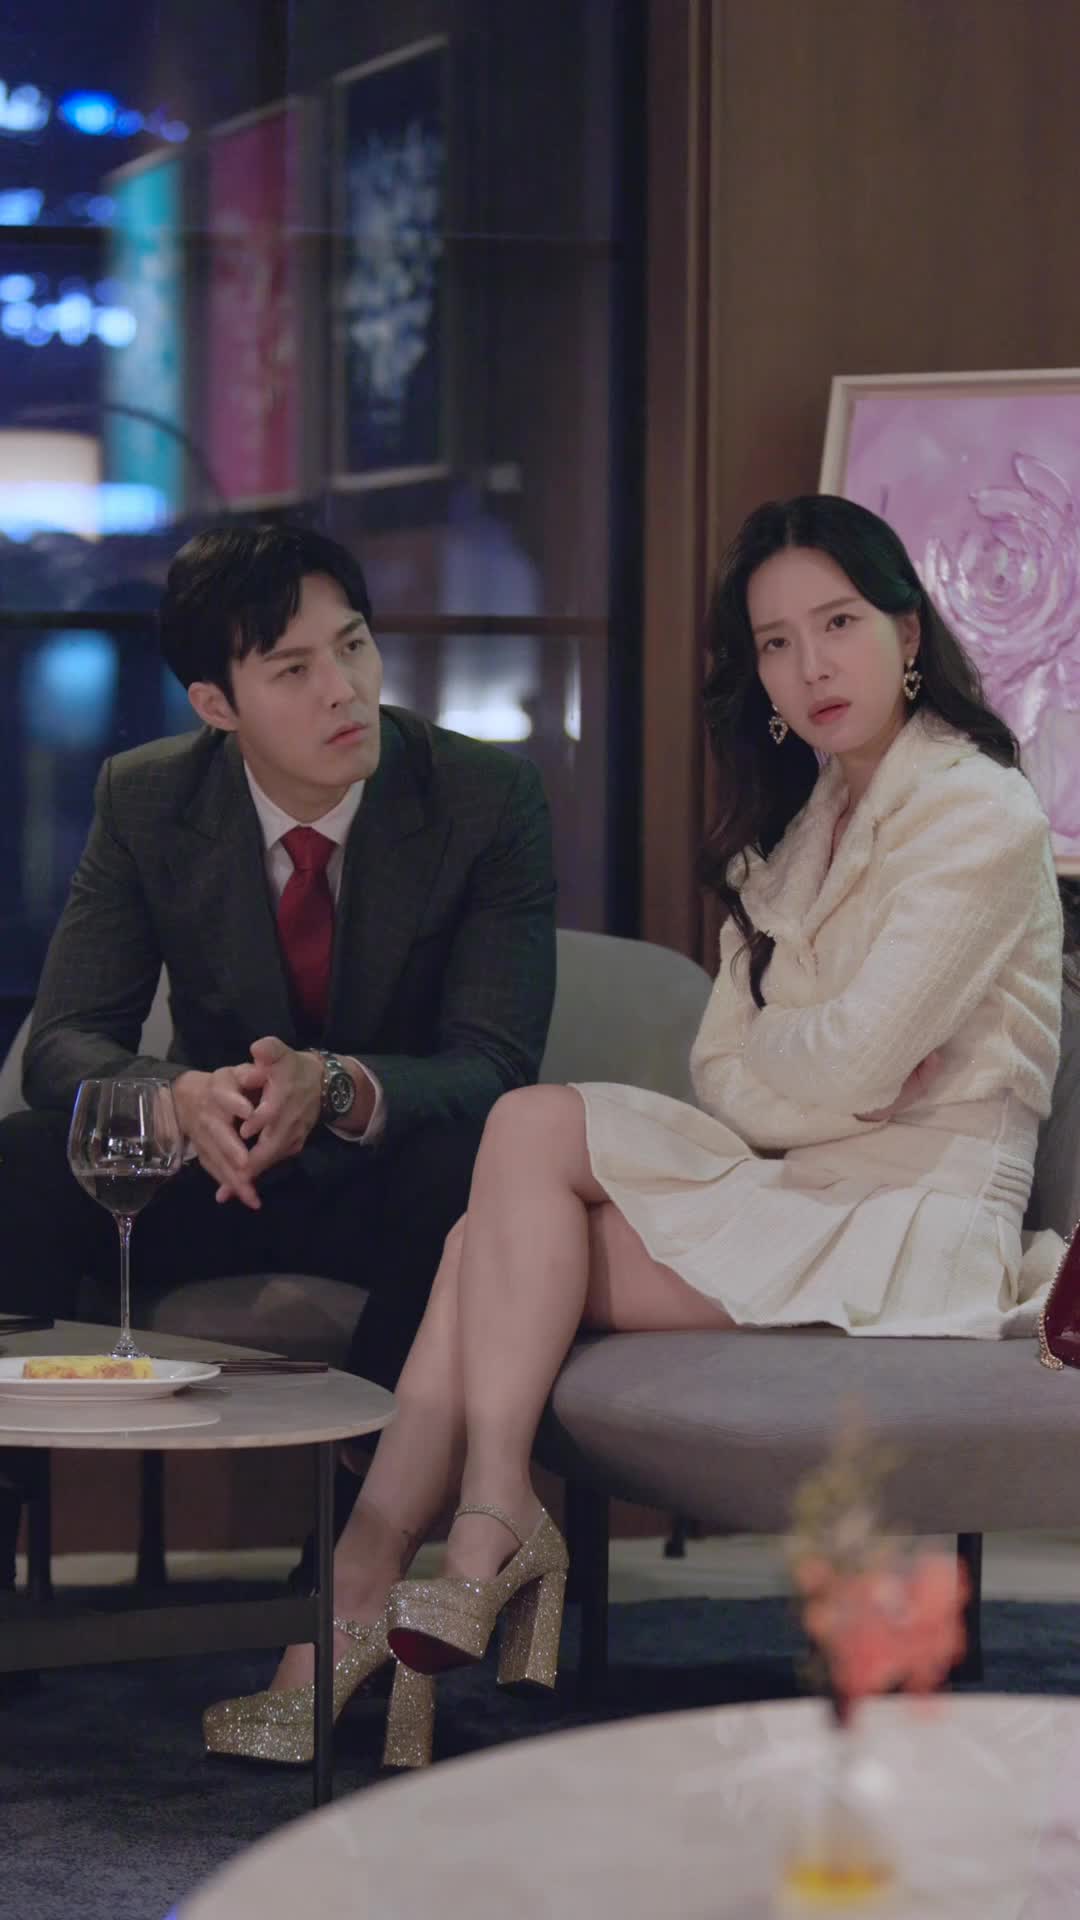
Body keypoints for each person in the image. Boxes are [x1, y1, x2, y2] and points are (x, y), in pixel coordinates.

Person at [204, 493, 1070, 1769]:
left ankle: (395, 1583)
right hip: (807, 1187)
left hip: (916, 1224)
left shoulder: (978, 812)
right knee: (515, 1168)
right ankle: (455, 1539)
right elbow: (729, 1072)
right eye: (775, 643)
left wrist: (818, 1068)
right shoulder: (805, 820)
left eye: (838, 624)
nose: (811, 667)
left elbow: (846, 1062)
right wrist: (823, 1074)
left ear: (906, 632)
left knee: (491, 1231)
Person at [0, 522, 556, 1575]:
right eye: (293, 670)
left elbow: (495, 1064)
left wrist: (336, 1086)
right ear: (217, 705)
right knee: (23, 1159)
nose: (344, 691)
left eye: (353, 646)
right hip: (219, 1174)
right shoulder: (148, 799)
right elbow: (63, 1041)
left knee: (474, 1167)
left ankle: (351, 1561)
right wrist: (174, 1099)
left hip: (389, 1188)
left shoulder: (484, 801)